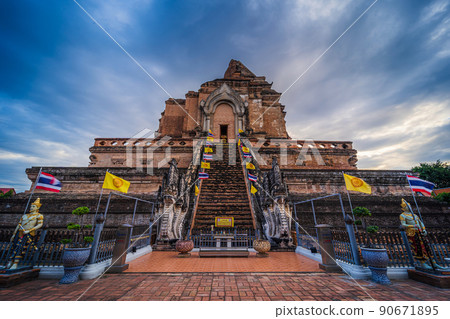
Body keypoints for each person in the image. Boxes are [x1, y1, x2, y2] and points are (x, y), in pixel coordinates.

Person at [399, 198, 444, 270]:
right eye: (407, 206)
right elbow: (403, 225)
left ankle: (433, 262)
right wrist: (412, 226)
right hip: (412, 233)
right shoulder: (403, 215)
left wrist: (424, 229)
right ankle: (422, 263)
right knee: (418, 247)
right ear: (403, 208)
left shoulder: (415, 215)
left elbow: (421, 223)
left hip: (420, 232)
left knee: (426, 247)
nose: (409, 207)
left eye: (410, 206)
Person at [6, 198, 44, 269]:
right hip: (20, 232)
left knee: (21, 246)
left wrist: (29, 230)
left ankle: (15, 263)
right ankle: (10, 261)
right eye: (31, 206)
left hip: (28, 232)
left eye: (33, 206)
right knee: (14, 246)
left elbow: (40, 224)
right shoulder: (25, 215)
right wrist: (14, 234)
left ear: (37, 208)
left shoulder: (39, 215)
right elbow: (19, 225)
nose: (31, 207)